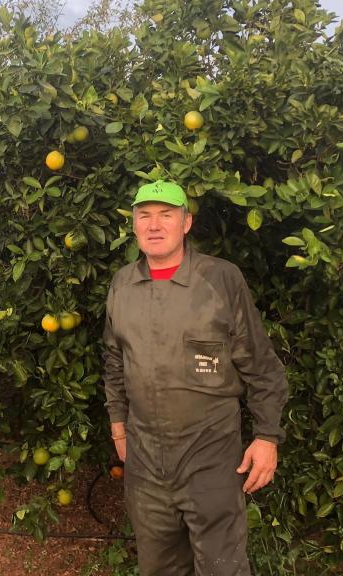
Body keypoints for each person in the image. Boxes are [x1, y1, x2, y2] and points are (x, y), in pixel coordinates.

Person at [102, 180, 289, 576]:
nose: (154, 225)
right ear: (134, 225)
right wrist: (119, 427)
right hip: (146, 461)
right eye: (144, 216)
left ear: (186, 223)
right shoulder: (122, 285)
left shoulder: (220, 279)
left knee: (223, 567)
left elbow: (261, 364)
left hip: (211, 457)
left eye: (166, 215)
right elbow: (114, 359)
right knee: (158, 567)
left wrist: (267, 436)